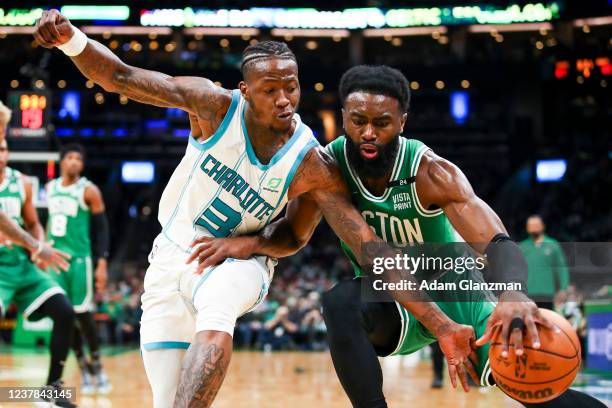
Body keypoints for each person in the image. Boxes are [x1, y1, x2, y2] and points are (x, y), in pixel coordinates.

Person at [34, 10, 493, 408]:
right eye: (270, 89)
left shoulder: (312, 163)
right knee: (167, 398)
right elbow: (122, 78)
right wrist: (72, 40)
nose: (283, 99)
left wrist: (250, 243)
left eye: (290, 88)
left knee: (218, 310)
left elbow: (354, 246)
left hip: (245, 262)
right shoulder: (212, 106)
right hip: (171, 254)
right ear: (245, 91)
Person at [189, 65, 606, 408]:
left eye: (381, 123)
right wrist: (252, 242)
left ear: (401, 122)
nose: (368, 132)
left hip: (455, 296)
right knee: (339, 301)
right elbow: (295, 236)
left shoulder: (431, 173)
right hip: (393, 301)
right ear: (345, 117)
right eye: (358, 121)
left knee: (536, 390)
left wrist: (513, 293)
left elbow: (495, 240)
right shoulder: (327, 165)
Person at [0, 136, 77, 408]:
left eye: (4, 148)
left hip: (22, 265)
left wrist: (39, 246)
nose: (1, 153)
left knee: (65, 312)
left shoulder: (20, 183)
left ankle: (52, 390)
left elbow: (33, 223)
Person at [46, 143, 111, 394]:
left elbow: (102, 229)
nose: (74, 162)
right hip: (56, 261)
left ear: (81, 165)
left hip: (80, 261)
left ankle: (97, 364)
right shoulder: (50, 189)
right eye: (69, 158)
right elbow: (50, 222)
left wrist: (101, 262)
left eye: (78, 159)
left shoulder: (89, 190)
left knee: (83, 316)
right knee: (64, 317)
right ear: (62, 162)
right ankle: (83, 367)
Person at [520, 215, 569, 310]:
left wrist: (563, 288)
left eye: (536, 225)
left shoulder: (553, 245)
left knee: (547, 321)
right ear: (527, 228)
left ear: (542, 226)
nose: (533, 228)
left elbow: (561, 268)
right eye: (531, 226)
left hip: (547, 293)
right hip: (527, 293)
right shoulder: (522, 247)